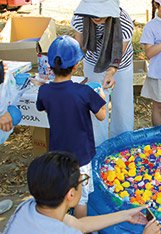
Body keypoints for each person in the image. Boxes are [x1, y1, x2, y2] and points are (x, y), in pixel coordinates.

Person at [3, 151, 161, 234]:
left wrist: (125, 215)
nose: (83, 183)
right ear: (71, 195)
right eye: (82, 181)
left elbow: (77, 224)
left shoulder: (28, 207)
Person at [36, 35, 107, 219]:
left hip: (57, 156)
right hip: (81, 158)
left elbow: (43, 107)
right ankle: (80, 229)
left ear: (50, 64)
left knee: (62, 195)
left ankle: (61, 226)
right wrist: (103, 98)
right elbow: (102, 116)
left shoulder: (44, 91)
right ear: (76, 65)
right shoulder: (84, 92)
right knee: (80, 200)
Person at [71, 0, 134, 146]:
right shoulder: (80, 18)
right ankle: (98, 147)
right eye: (92, 11)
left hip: (120, 65)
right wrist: (68, 69)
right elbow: (80, 47)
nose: (95, 16)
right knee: (95, 106)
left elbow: (118, 56)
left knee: (122, 107)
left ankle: (122, 146)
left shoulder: (124, 23)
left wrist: (111, 72)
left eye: (100, 12)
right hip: (93, 62)